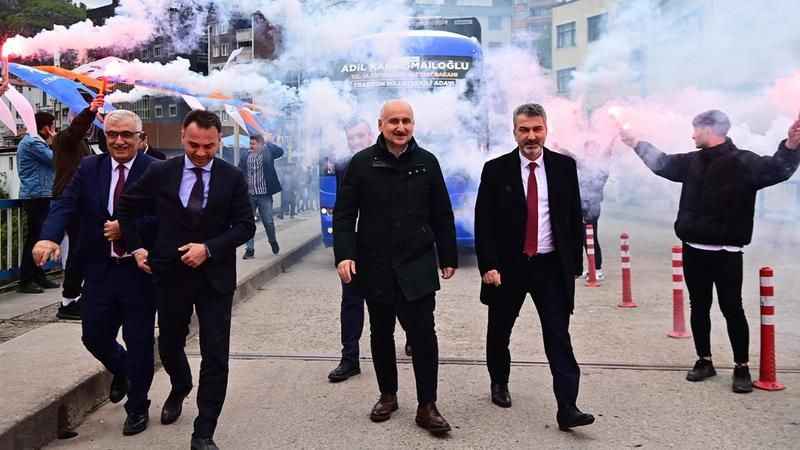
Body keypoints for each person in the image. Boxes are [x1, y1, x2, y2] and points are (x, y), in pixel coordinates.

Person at [621, 109, 800, 393]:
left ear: (710, 129)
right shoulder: (692, 162)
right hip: (693, 249)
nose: (692, 135)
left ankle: (741, 367)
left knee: (732, 308)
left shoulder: (745, 162)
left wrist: (790, 145)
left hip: (728, 253)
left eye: (696, 129)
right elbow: (662, 164)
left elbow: (779, 169)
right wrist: (635, 143)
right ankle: (704, 360)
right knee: (699, 306)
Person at [117, 110, 254, 450]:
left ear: (219, 141)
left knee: (215, 355)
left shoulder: (232, 177)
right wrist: (137, 248)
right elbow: (127, 207)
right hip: (170, 275)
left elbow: (245, 226)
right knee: (169, 344)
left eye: (209, 146)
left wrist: (209, 249)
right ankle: (180, 385)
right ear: (182, 137)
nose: (201, 153)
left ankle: (204, 431)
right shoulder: (161, 172)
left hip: (215, 279)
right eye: (194, 145)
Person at [333, 100, 458, 434]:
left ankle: (427, 405)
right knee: (381, 333)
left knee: (424, 336)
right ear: (381, 125)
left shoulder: (427, 162)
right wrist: (345, 254)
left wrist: (448, 256)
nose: (400, 127)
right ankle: (388, 395)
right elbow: (344, 214)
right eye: (393, 122)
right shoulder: (362, 163)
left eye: (406, 121)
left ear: (413, 124)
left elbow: (442, 213)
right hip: (375, 265)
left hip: (417, 263)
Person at [33, 110, 159, 436]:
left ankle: (138, 406)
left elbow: (165, 218)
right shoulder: (90, 168)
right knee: (93, 335)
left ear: (139, 137)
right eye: (112, 134)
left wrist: (127, 228)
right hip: (100, 270)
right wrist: (48, 237)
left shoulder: (156, 170)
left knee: (140, 341)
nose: (119, 141)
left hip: (138, 271)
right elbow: (65, 204)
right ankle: (123, 369)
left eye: (127, 135)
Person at [474, 103, 594, 431]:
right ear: (514, 132)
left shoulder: (564, 167)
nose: (531, 136)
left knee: (558, 336)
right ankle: (499, 381)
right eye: (524, 130)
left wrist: (574, 264)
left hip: (550, 267)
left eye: (536, 129)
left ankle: (567, 407)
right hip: (507, 268)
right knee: (499, 330)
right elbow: (484, 223)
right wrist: (489, 265)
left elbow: (572, 217)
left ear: (545, 130)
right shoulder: (495, 170)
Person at [50, 94, 107, 320]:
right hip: (71, 202)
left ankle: (76, 296)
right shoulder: (64, 139)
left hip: (82, 202)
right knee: (78, 251)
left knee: (82, 250)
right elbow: (76, 129)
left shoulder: (80, 142)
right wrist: (90, 111)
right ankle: (69, 300)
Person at [554, 138, 614, 280]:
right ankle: (591, 267)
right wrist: (559, 147)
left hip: (592, 206)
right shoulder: (585, 165)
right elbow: (573, 157)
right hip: (581, 205)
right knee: (581, 237)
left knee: (591, 238)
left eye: (590, 149)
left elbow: (607, 153)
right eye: (586, 149)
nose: (587, 152)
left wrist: (613, 141)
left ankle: (597, 269)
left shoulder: (600, 166)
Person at [16, 112, 58, 295]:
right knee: (34, 238)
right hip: (35, 195)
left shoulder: (35, 141)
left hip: (40, 194)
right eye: (52, 126)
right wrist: (55, 141)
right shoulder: (33, 142)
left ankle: (38, 275)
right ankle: (26, 280)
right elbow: (55, 159)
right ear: (46, 127)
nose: (54, 129)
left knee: (40, 237)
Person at [239, 133, 283, 258]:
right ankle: (250, 249)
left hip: (264, 195)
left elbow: (280, 152)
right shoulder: (245, 155)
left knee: (268, 222)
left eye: (253, 144)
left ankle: (272, 241)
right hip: (249, 195)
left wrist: (268, 142)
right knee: (248, 223)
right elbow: (239, 170)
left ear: (260, 144)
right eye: (250, 143)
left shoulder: (268, 153)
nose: (251, 146)